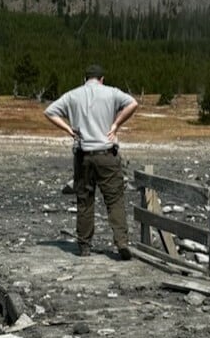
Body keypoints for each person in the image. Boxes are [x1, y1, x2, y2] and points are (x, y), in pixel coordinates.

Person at [44, 64, 139, 259]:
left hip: (83, 153)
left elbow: (50, 111)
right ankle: (121, 242)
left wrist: (69, 130)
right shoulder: (111, 93)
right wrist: (116, 125)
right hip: (106, 152)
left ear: (85, 79)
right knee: (114, 200)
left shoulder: (72, 95)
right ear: (102, 79)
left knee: (85, 200)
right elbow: (133, 104)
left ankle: (85, 246)